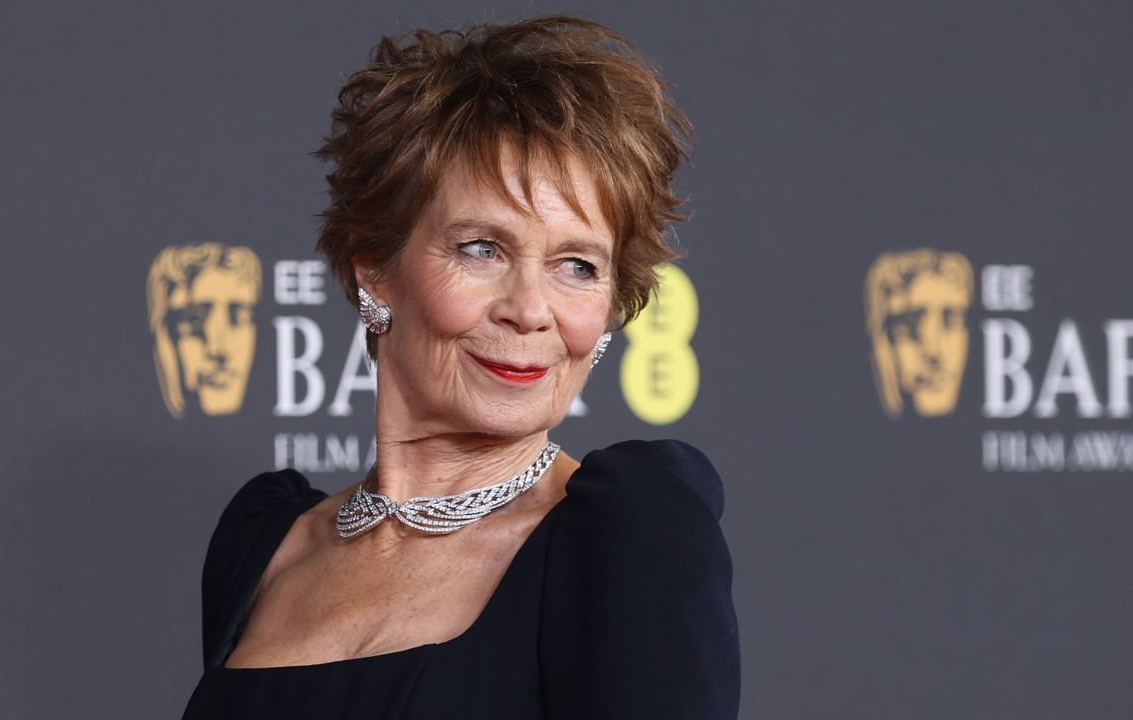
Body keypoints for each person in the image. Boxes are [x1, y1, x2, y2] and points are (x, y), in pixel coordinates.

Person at [181, 15, 740, 719]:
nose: (530, 309)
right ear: (376, 273)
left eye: (577, 265)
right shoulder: (264, 544)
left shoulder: (627, 536)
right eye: (482, 248)